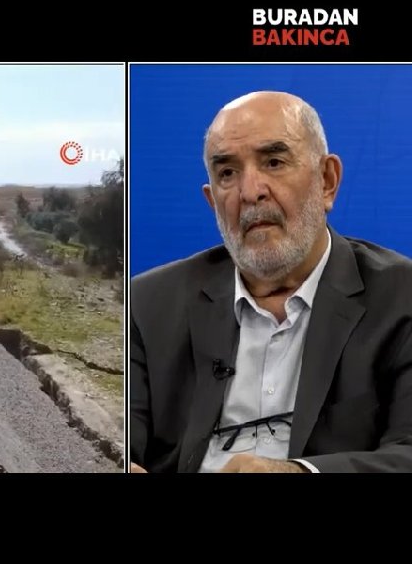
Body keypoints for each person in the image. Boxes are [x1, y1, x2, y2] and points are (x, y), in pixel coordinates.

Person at [129, 91, 412, 473]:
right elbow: (112, 439)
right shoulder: (147, 304)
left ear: (327, 181)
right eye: (227, 173)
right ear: (213, 202)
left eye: (274, 162)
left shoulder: (400, 297)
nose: (250, 192)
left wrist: (296, 472)